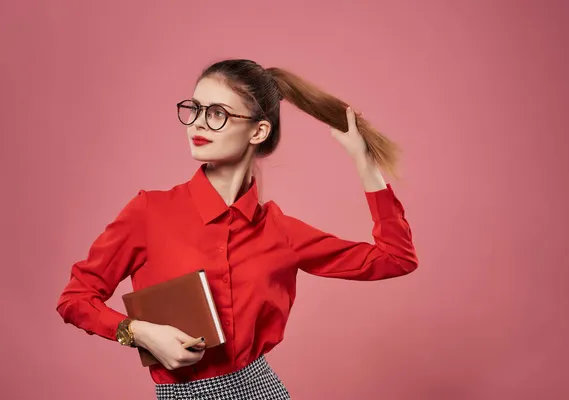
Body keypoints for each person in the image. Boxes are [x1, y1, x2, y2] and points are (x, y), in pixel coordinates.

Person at [56, 58, 419, 400]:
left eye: (216, 114)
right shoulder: (148, 212)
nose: (197, 123)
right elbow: (75, 298)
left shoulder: (280, 231)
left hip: (259, 386)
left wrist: (364, 161)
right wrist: (139, 333)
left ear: (258, 131)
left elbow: (396, 258)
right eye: (194, 109)